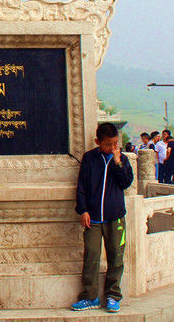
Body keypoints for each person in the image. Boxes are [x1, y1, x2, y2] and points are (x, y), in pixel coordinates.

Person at [71, 122, 134, 314]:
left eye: (115, 143)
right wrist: (83, 210)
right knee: (91, 255)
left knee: (116, 257)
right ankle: (90, 296)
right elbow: (81, 186)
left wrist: (117, 163)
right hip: (94, 217)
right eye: (108, 144)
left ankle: (113, 295)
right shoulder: (89, 158)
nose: (112, 148)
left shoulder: (121, 159)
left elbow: (125, 183)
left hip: (115, 218)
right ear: (98, 141)